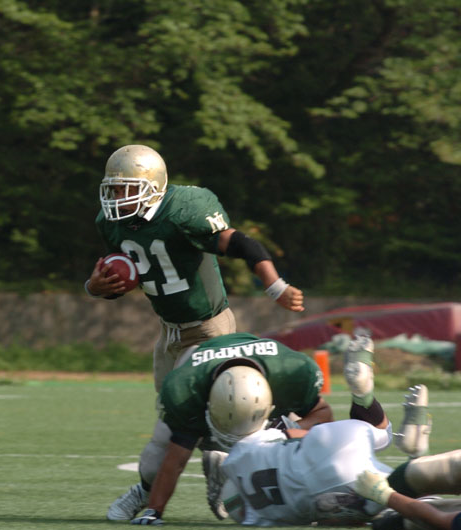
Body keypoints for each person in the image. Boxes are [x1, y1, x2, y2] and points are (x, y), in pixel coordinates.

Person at [85, 144, 305, 521]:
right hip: (169, 334)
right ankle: (216, 464)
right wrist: (94, 287)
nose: (117, 197)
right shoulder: (112, 223)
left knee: (173, 427)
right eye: (114, 188)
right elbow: (125, 277)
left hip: (208, 330)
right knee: (179, 414)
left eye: (126, 188)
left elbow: (240, 243)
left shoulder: (185, 208)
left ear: (153, 187)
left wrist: (274, 285)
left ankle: (150, 492)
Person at [131, 334, 459, 527]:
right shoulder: (288, 373)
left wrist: (154, 511)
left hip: (310, 487)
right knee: (383, 448)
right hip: (326, 464)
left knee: (393, 488)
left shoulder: (238, 463)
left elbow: (179, 461)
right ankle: (390, 428)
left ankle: (403, 449)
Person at [122, 331, 334, 525]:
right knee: (154, 460)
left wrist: (289, 429)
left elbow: (323, 415)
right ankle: (142, 492)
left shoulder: (292, 372)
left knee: (298, 445)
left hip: (270, 383)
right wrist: (154, 510)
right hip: (199, 367)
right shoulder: (186, 389)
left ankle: (315, 497)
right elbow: (176, 458)